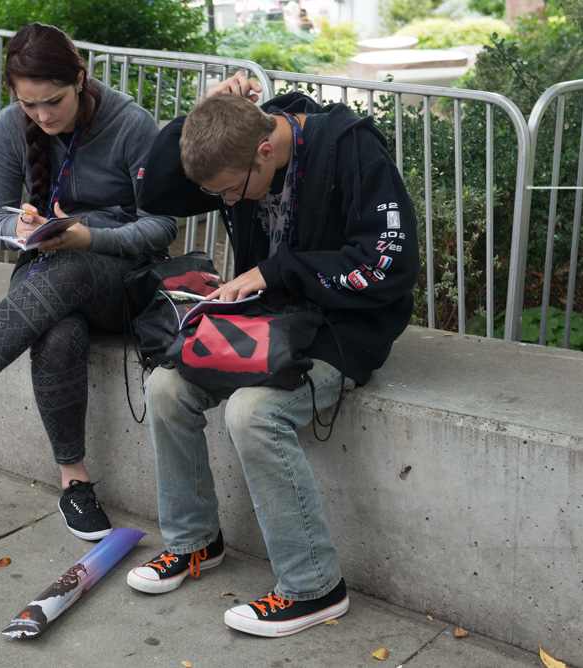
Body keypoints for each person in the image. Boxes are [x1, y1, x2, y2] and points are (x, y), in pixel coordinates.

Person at [125, 72, 419, 637]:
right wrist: (203, 110)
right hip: (270, 319)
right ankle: (194, 545)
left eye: (232, 191)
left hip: (344, 327)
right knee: (165, 387)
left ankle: (314, 588)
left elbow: (387, 267)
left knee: (251, 412)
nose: (227, 202)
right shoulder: (238, 149)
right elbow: (154, 192)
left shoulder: (352, 149)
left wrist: (273, 270)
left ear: (266, 151)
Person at [0, 23, 176, 542]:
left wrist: (89, 237)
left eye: (53, 102)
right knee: (58, 329)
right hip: (46, 270)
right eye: (29, 106)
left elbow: (160, 228)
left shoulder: (132, 125)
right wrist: (18, 229)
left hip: (120, 278)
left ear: (80, 78)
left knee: (69, 269)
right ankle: (74, 483)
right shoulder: (8, 126)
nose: (42, 116)